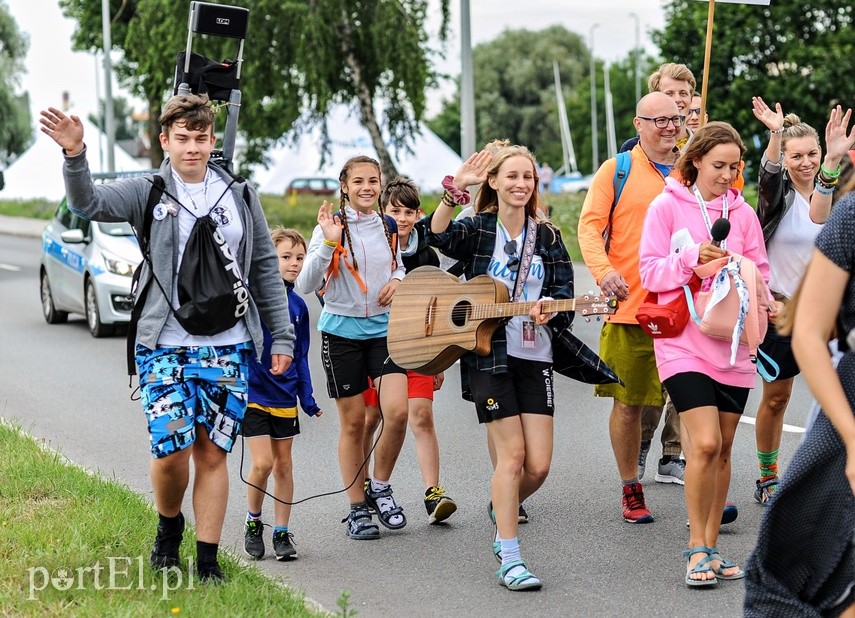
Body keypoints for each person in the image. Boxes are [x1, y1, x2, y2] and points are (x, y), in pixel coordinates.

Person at [38, 95, 295, 582]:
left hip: (229, 343)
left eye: (201, 138)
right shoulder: (147, 191)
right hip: (165, 344)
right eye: (183, 138)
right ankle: (169, 526)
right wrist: (75, 155)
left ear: (212, 140)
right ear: (165, 141)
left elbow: (263, 266)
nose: (193, 148)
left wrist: (279, 336)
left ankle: (207, 560)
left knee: (212, 451)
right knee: (170, 449)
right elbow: (87, 202)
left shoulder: (239, 193)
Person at [429, 145, 618, 590]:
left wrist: (553, 309)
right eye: (511, 176)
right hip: (487, 354)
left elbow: (566, 297)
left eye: (528, 177)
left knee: (539, 467)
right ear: (493, 182)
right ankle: (510, 555)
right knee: (512, 457)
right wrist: (454, 191)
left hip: (535, 355)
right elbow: (432, 237)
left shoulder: (548, 237)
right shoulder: (477, 228)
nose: (521, 184)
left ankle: (503, 505)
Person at [638, 121, 772, 587]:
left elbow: (762, 271)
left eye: (735, 167)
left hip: (734, 346)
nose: (728, 175)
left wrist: (757, 287)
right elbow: (650, 272)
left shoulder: (744, 213)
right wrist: (693, 258)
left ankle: (712, 548)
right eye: (719, 165)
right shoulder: (666, 205)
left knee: (723, 449)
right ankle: (696, 550)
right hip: (681, 344)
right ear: (695, 160)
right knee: (706, 443)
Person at [743, 191, 855, 617]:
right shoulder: (851, 213)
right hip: (850, 406)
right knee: (801, 575)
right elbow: (808, 331)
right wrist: (850, 436)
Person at [578, 91, 682, 523]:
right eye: (659, 120)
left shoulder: (692, 168)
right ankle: (630, 488)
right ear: (638, 125)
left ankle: (706, 486)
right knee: (628, 404)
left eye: (675, 119)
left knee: (697, 403)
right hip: (632, 310)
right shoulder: (616, 170)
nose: (669, 127)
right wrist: (604, 273)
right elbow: (588, 227)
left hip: (687, 311)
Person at [295, 156, 410, 540]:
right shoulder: (330, 227)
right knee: (355, 422)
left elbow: (398, 265)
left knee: (396, 413)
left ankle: (380, 486)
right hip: (341, 334)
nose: (366, 187)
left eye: (373, 181)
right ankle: (357, 508)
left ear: (380, 185)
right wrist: (328, 242)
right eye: (358, 181)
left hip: (382, 331)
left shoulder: (388, 225)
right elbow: (306, 283)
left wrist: (397, 279)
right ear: (344, 186)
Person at [749, 97, 855, 505]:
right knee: (777, 398)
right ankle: (767, 475)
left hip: (826, 311)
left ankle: (838, 474)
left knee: (840, 395)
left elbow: (820, 216)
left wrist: (831, 158)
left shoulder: (834, 190)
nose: (806, 162)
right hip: (779, 309)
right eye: (798, 156)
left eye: (812, 153)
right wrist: (776, 135)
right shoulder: (776, 197)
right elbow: (770, 173)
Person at [361, 176, 458, 525]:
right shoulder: (370, 245)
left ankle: (433, 493)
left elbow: (437, 303)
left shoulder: (425, 254)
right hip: (377, 346)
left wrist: (440, 354)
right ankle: (363, 491)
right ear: (383, 212)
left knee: (421, 416)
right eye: (394, 211)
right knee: (373, 418)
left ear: (418, 215)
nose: (401, 218)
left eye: (408, 212)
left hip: (418, 347)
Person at [243, 228, 322, 562]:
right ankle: (253, 521)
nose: (294, 264)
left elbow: (301, 355)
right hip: (253, 394)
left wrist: (308, 398)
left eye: (300, 258)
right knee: (262, 463)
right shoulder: (251, 297)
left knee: (284, 466)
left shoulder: (299, 306)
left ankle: (280, 532)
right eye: (286, 257)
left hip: (285, 397)